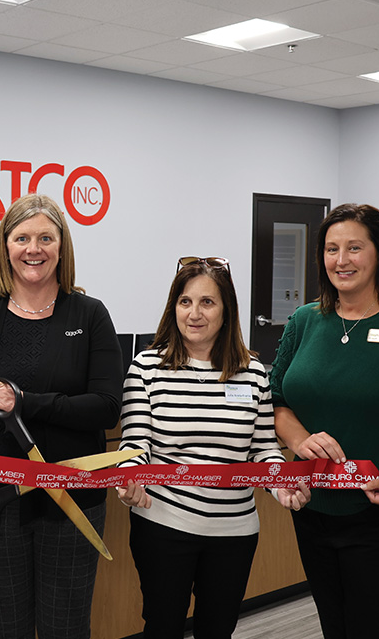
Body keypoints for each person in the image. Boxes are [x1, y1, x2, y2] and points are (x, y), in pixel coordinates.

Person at [0, 193, 123, 639]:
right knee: (4, 627)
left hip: (71, 502)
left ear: (61, 246)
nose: (33, 248)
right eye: (22, 238)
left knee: (66, 628)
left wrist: (25, 401)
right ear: (5, 246)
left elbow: (107, 407)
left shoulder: (89, 315)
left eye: (45, 238)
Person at [270, 203, 379, 639]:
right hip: (317, 513)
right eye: (332, 248)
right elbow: (277, 402)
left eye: (354, 247)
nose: (341, 260)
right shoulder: (304, 321)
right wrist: (301, 441)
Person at [117, 256, 310, 639]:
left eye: (208, 302)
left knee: (218, 631)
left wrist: (280, 481)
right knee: (162, 627)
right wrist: (129, 478)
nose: (195, 313)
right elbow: (135, 443)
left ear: (226, 310)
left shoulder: (252, 372)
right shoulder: (146, 368)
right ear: (173, 307)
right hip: (163, 524)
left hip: (234, 532)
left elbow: (262, 449)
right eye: (185, 301)